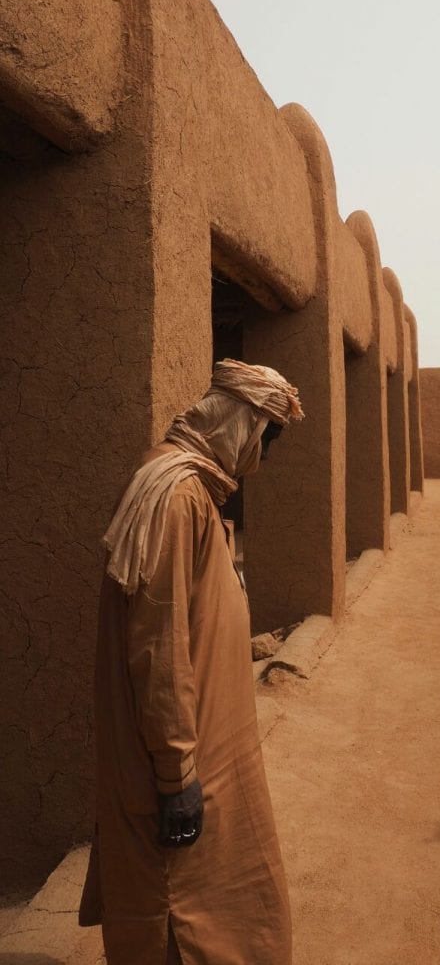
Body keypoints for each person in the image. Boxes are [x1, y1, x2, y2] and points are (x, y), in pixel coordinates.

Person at [79, 359, 303, 964]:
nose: (263, 459)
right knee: (180, 910)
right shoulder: (177, 497)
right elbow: (159, 645)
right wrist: (176, 777)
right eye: (264, 441)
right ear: (239, 425)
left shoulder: (187, 485)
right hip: (181, 757)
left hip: (209, 744)